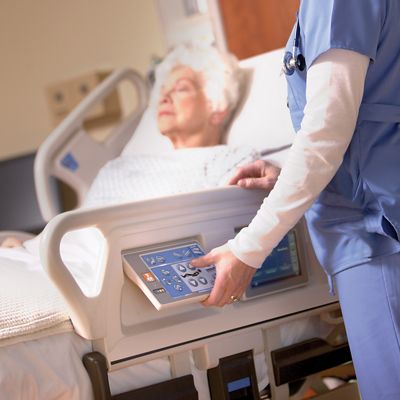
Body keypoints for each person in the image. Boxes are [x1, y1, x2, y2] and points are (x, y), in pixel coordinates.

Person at [191, 1, 400, 398]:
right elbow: (367, 117)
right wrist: (287, 172)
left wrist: (247, 250)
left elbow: (325, 133)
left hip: (376, 235)